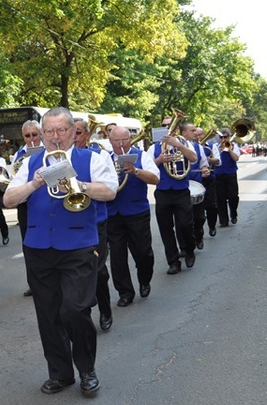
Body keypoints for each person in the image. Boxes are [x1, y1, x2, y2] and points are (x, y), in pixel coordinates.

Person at [4, 107, 117, 397]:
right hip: (39, 247)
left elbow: (110, 191)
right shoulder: (29, 163)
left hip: (79, 246)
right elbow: (8, 199)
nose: (55, 138)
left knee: (76, 309)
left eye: (61, 131)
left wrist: (80, 184)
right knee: (48, 314)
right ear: (41, 134)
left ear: (73, 131)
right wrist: (34, 183)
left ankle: (87, 369)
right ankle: (60, 373)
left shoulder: (93, 158)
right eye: (49, 132)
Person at [106, 126, 159, 305]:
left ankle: (144, 280)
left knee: (144, 253)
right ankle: (125, 292)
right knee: (117, 257)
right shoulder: (104, 158)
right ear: (110, 141)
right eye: (116, 141)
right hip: (113, 213)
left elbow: (155, 178)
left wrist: (135, 171)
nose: (121, 144)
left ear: (130, 139)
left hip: (137, 212)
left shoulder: (142, 156)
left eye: (125, 140)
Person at [73, 118, 113, 331]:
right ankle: (82, 312)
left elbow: (109, 189)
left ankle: (105, 309)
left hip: (95, 220)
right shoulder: (58, 157)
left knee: (97, 271)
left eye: (78, 133)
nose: (73, 137)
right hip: (68, 223)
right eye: (72, 132)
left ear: (87, 135)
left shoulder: (100, 156)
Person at [147, 119, 198, 275]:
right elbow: (148, 168)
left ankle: (189, 250)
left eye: (171, 126)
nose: (167, 129)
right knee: (166, 229)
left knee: (185, 224)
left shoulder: (183, 143)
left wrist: (178, 145)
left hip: (181, 190)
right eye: (164, 126)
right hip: (163, 192)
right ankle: (173, 261)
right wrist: (159, 160)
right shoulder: (153, 148)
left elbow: (193, 158)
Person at [12, 120, 42, 297]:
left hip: (44, 201)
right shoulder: (19, 154)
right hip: (26, 204)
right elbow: (15, 177)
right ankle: (33, 282)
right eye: (27, 136)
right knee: (28, 245)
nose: (31, 139)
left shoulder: (48, 151)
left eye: (34, 135)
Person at [182, 124, 212, 250]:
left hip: (197, 186)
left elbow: (203, 164)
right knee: (184, 221)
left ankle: (198, 234)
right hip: (182, 188)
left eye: (196, 130)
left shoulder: (198, 147)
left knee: (199, 217)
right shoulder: (174, 148)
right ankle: (185, 246)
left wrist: (205, 170)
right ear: (184, 133)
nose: (195, 133)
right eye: (192, 130)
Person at [196, 127, 221, 237]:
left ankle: (212, 225)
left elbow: (218, 161)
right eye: (196, 134)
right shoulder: (189, 147)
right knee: (197, 209)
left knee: (211, 205)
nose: (199, 137)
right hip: (196, 180)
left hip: (209, 179)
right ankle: (199, 232)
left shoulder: (211, 146)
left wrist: (205, 159)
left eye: (201, 134)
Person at [215, 127, 241, 227]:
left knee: (233, 196)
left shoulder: (234, 146)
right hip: (218, 174)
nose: (224, 139)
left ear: (229, 137)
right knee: (220, 199)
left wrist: (229, 150)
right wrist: (220, 149)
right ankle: (223, 220)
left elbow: (236, 158)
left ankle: (233, 214)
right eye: (222, 137)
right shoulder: (216, 146)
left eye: (226, 137)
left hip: (230, 174)